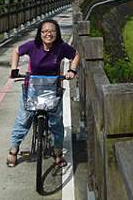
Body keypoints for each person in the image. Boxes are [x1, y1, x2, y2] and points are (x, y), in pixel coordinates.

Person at [7, 18, 79, 168]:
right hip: (32, 87)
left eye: (52, 31)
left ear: (57, 33)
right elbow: (16, 51)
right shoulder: (33, 46)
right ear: (40, 34)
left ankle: (57, 153)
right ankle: (13, 150)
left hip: (52, 87)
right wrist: (14, 69)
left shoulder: (61, 47)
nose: (48, 34)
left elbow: (75, 55)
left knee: (55, 122)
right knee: (24, 119)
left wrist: (72, 70)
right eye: (45, 31)